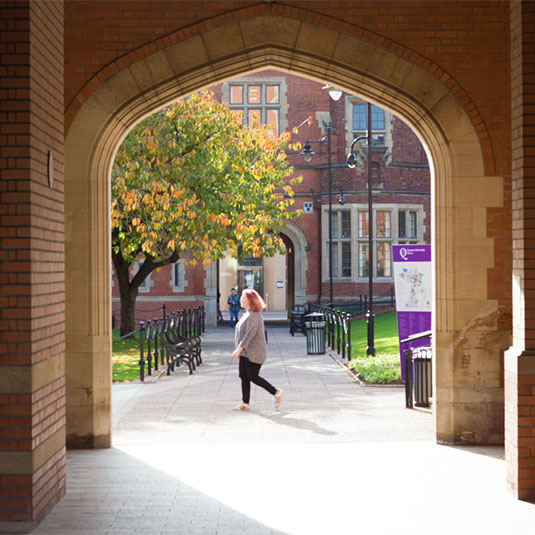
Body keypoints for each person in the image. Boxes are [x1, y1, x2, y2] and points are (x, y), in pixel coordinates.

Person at [231, 288, 283, 411]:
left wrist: (239, 349)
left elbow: (249, 334)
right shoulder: (248, 313)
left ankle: (276, 392)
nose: (240, 300)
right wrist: (240, 349)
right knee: (243, 375)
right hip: (246, 352)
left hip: (254, 352)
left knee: (253, 376)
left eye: (243, 298)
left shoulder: (254, 315)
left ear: (250, 301)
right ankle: (245, 403)